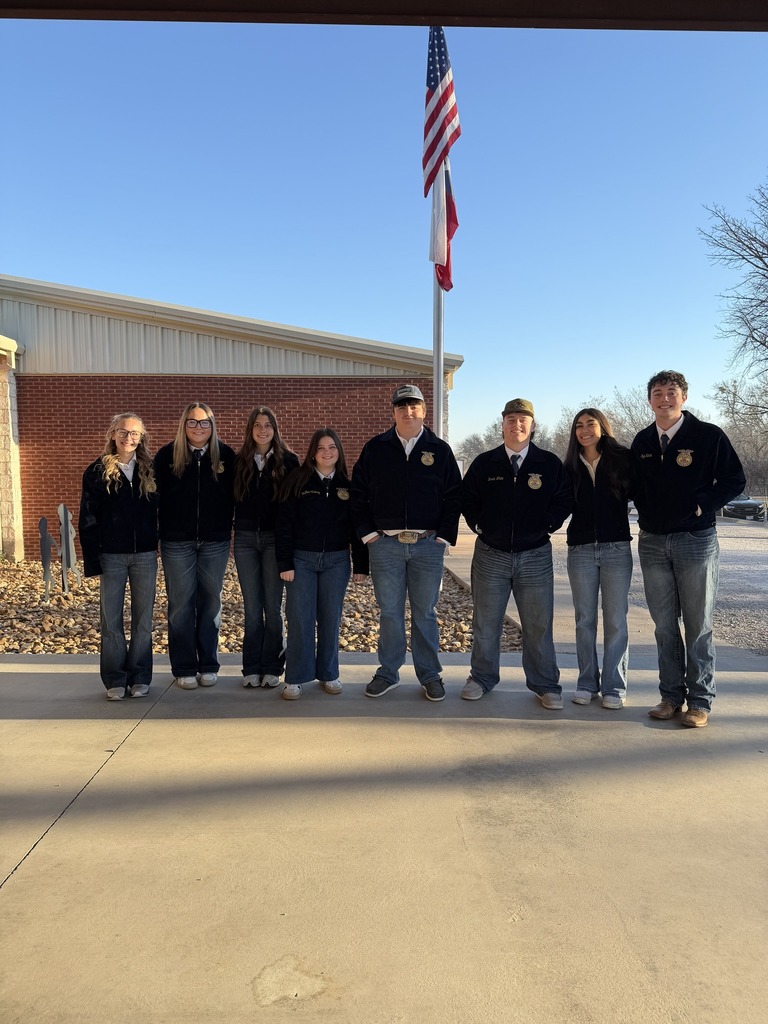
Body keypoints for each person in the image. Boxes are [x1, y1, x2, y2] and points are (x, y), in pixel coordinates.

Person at [631, 370, 745, 728]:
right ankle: (670, 696)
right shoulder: (643, 441)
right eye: (657, 392)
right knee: (664, 626)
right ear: (649, 399)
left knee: (697, 626)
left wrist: (701, 505)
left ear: (684, 397)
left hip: (695, 541)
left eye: (671, 391)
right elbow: (634, 484)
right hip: (652, 542)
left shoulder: (708, 436)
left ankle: (699, 701)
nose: (664, 398)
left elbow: (734, 480)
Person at [350, 384, 461, 702]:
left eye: (414, 406)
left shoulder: (439, 450)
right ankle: (388, 672)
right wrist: (370, 535)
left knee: (425, 612)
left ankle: (430, 675)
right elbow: (358, 494)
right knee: (390, 612)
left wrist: (442, 537)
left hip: (428, 545)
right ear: (393, 412)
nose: (408, 411)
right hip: (386, 545)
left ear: (424, 411)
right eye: (401, 406)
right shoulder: (376, 448)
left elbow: (454, 496)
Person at [461, 398, 572, 708]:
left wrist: (548, 525)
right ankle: (481, 677)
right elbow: (467, 498)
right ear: (503, 425)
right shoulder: (484, 463)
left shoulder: (548, 464)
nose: (517, 424)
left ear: (533, 426)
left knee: (538, 624)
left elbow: (564, 499)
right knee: (486, 622)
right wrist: (479, 525)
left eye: (523, 420)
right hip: (490, 555)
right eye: (511, 419)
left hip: (535, 555)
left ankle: (545, 684)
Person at [276, 429, 368, 700]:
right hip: (301, 560)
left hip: (336, 562)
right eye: (320, 448)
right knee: (300, 618)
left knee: (330, 618)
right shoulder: (297, 482)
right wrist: (285, 562)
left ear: (339, 451)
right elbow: (284, 525)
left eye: (332, 447)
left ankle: (329, 673)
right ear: (312, 453)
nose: (326, 452)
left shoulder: (347, 487)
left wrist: (361, 565)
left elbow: (356, 529)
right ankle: (295, 677)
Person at [154, 403, 235, 690]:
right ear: (183, 424)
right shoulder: (166, 456)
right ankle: (184, 666)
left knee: (211, 602)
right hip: (177, 542)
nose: (198, 428)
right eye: (192, 422)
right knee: (181, 604)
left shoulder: (225, 456)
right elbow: (154, 499)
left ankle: (208, 665)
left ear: (212, 426)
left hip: (215, 541)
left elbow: (236, 496)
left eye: (204, 423)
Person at [79, 413, 159, 700]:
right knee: (111, 620)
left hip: (145, 556)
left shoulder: (151, 469)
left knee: (143, 621)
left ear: (142, 437)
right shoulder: (96, 472)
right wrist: (92, 560)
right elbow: (88, 518)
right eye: (123, 432)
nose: (129, 438)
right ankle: (114, 678)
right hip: (111, 556)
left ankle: (139, 676)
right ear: (113, 434)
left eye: (135, 433)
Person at [564, 408, 635, 710]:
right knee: (585, 620)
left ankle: (614, 687)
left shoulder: (622, 459)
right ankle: (586, 683)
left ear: (603, 428)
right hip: (580, 550)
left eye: (590, 424)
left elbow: (643, 493)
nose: (584, 430)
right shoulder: (568, 466)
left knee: (616, 620)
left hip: (616, 548)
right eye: (578, 426)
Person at [233, 407, 299, 689]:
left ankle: (272, 665)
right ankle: (251, 667)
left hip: (275, 540)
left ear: (275, 429)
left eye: (268, 425)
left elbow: (295, 508)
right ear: (250, 429)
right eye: (257, 425)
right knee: (251, 607)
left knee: (272, 606)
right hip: (245, 540)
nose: (262, 430)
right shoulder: (238, 462)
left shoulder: (289, 462)